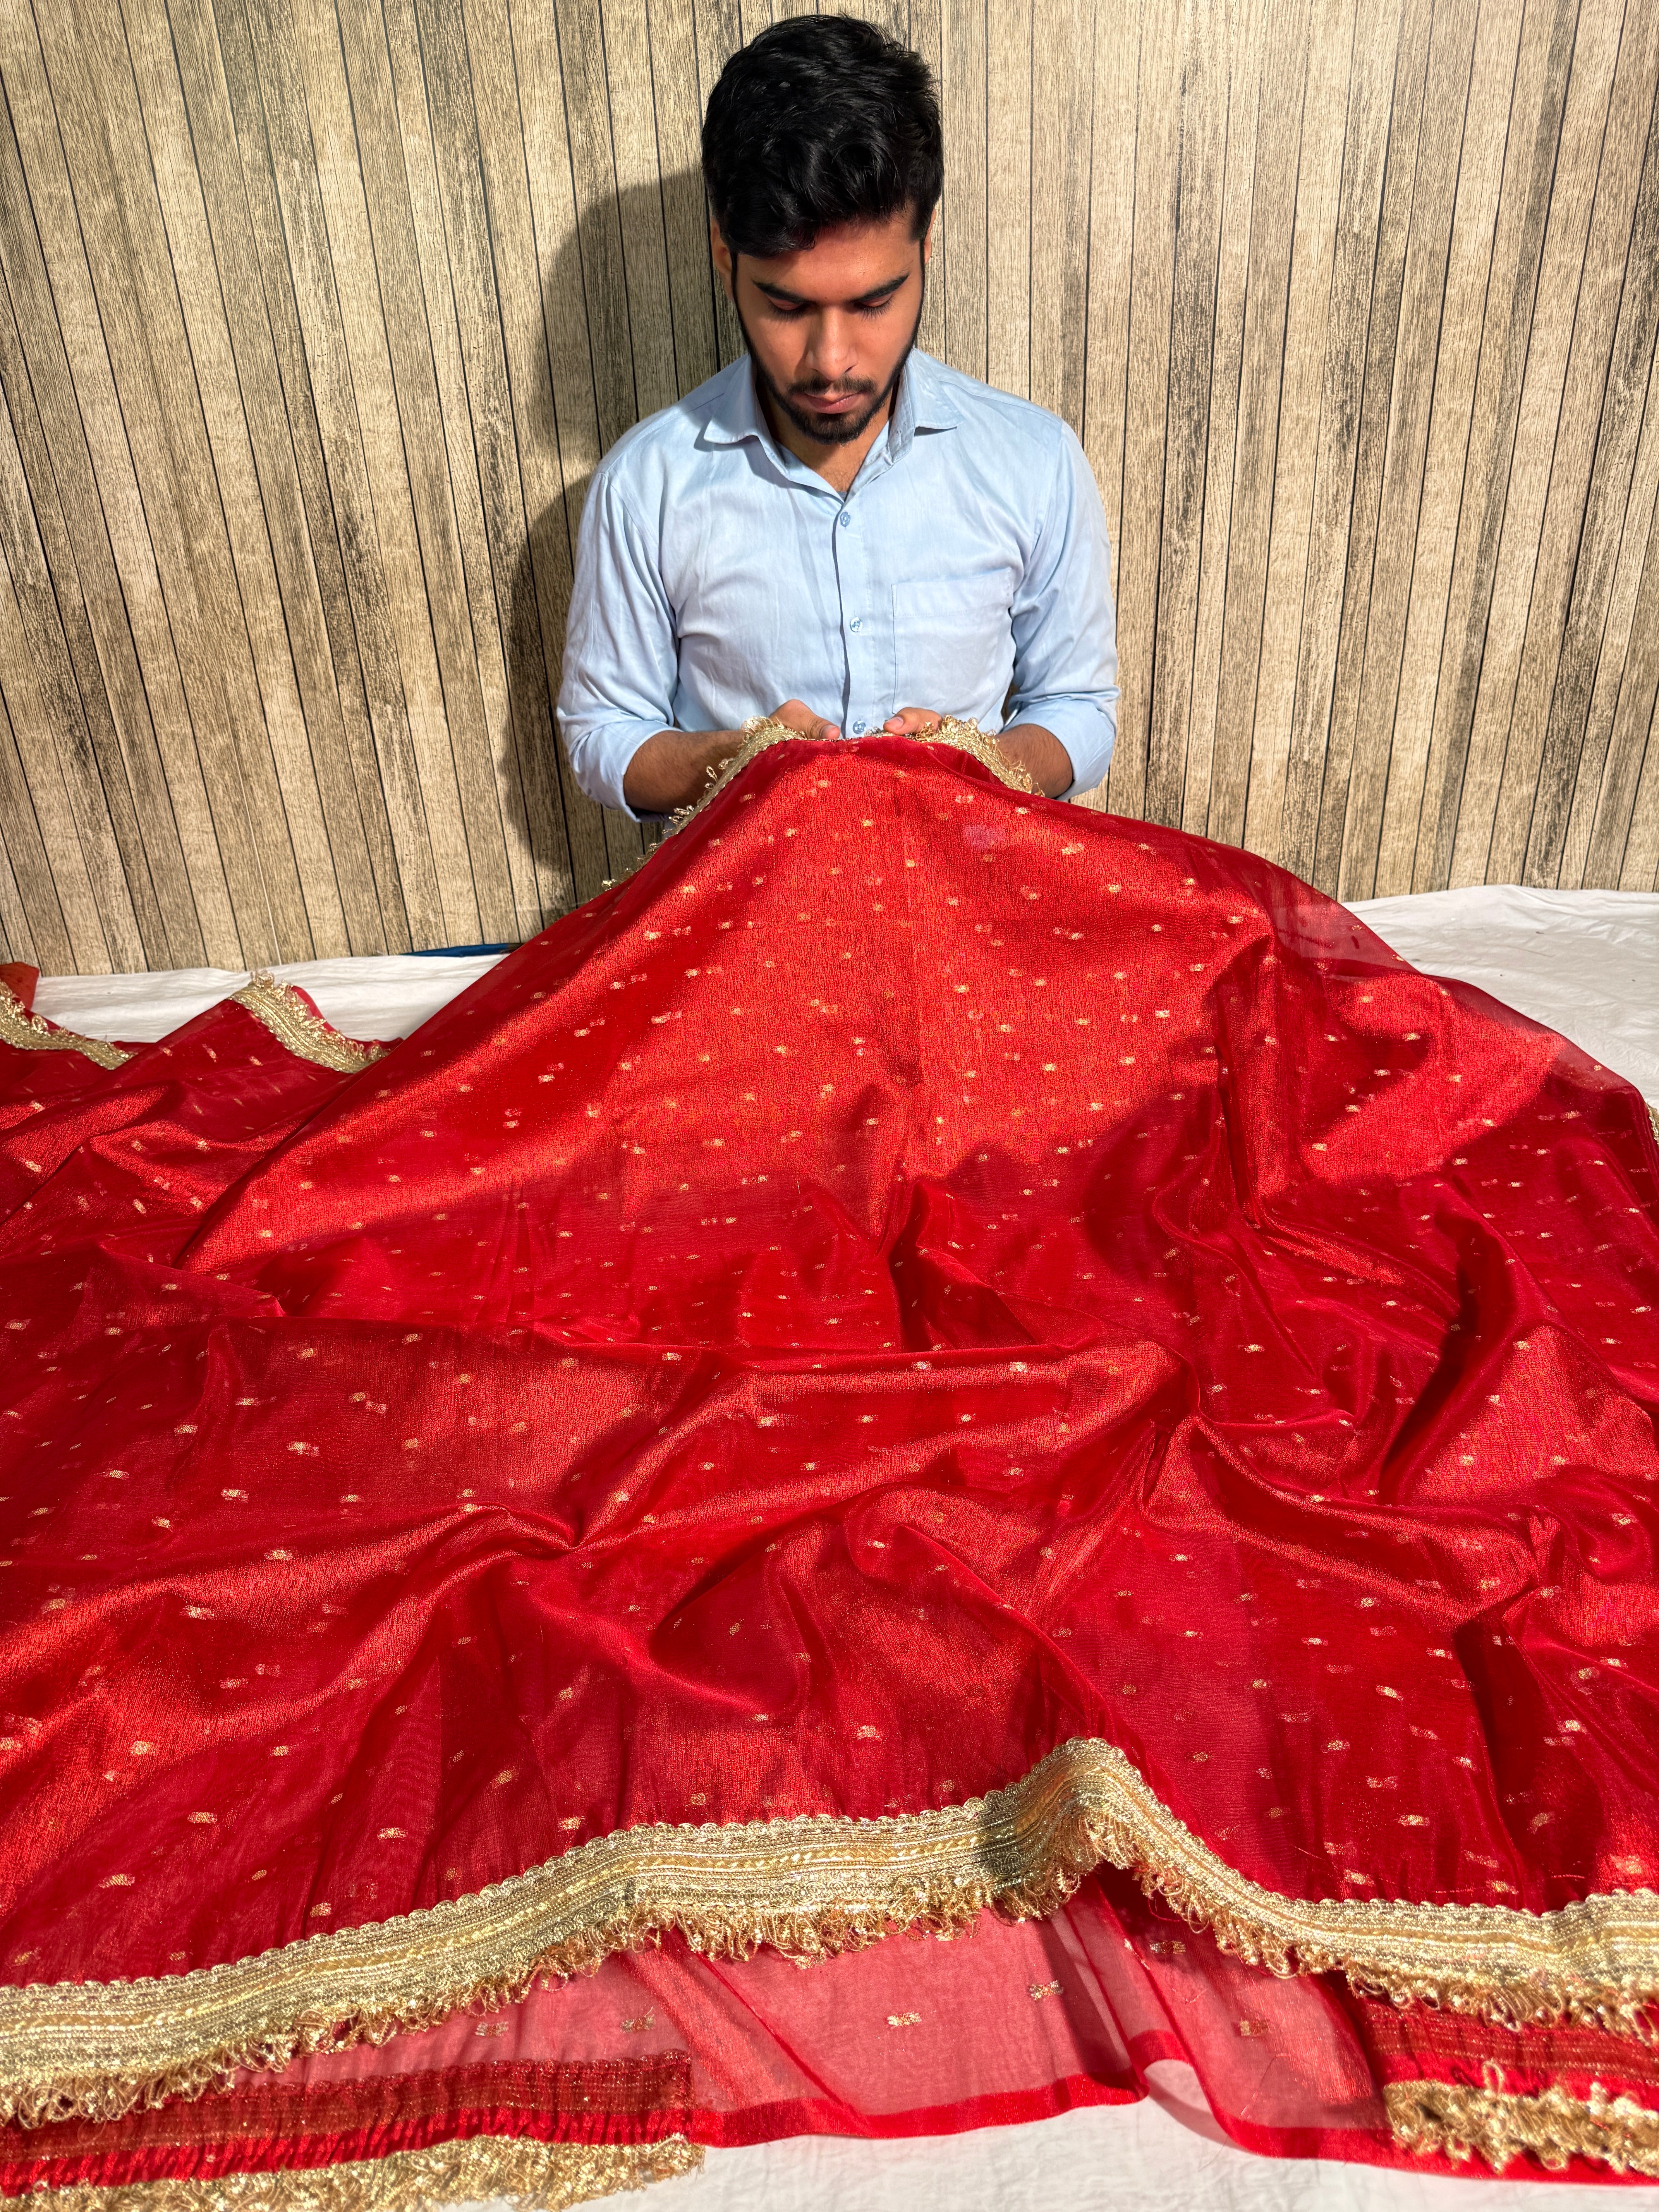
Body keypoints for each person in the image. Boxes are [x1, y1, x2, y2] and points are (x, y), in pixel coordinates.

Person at [557, 14, 1119, 819]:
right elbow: (601, 735)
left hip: (971, 910)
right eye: (787, 305)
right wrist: (734, 763)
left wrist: (982, 764)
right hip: (749, 919)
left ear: (925, 251)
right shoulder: (646, 487)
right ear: (726, 256)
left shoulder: (1033, 461)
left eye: (874, 302)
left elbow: (1079, 707)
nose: (831, 360)